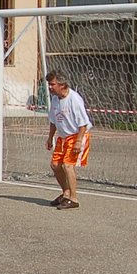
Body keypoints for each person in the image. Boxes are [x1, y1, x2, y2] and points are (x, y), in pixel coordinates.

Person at [44, 70, 92, 210]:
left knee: (67, 165)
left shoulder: (74, 99)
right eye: (49, 84)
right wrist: (50, 137)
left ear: (62, 84)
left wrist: (78, 141)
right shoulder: (54, 99)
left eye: (52, 84)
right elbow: (53, 121)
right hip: (63, 137)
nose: (50, 87)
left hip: (76, 135)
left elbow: (83, 123)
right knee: (55, 165)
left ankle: (74, 198)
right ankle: (66, 193)